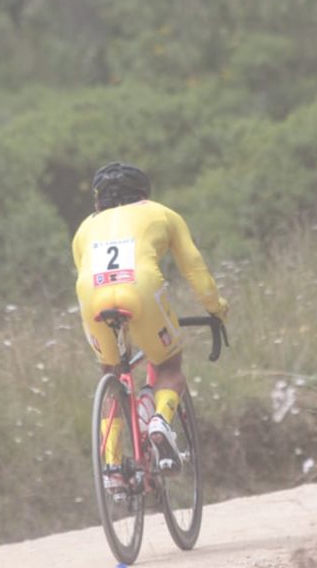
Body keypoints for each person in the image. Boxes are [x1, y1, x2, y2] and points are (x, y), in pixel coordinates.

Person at [72, 163, 229, 471]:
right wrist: (216, 308)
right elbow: (195, 269)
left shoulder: (83, 229)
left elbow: (86, 271)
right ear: (144, 194)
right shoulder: (162, 213)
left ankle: (113, 466)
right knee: (168, 364)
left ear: (97, 201)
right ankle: (159, 422)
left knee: (112, 374)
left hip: (93, 295)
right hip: (140, 289)